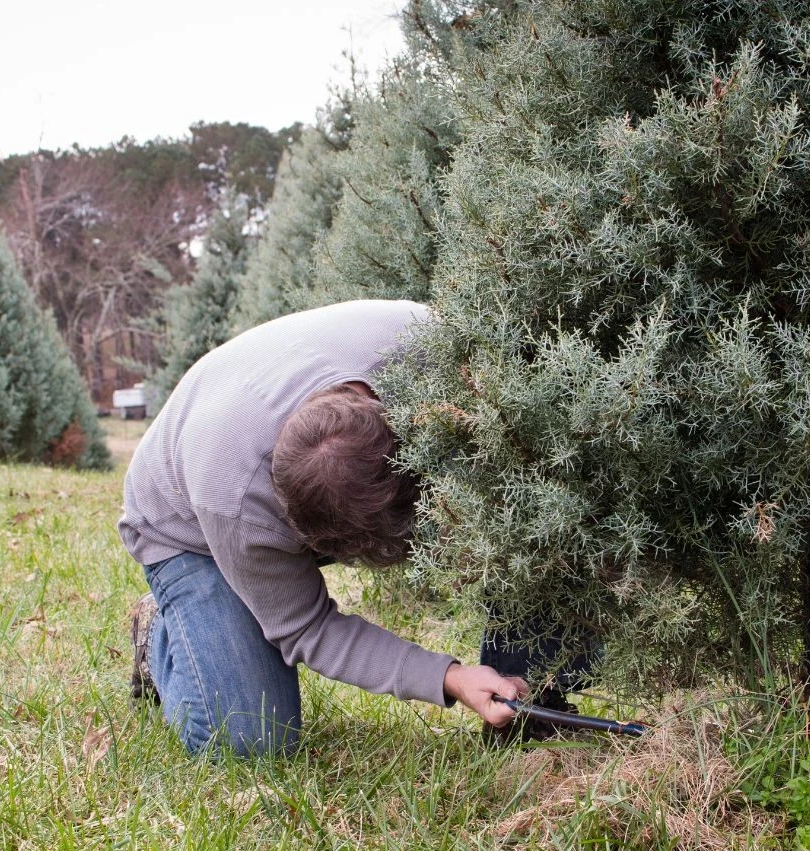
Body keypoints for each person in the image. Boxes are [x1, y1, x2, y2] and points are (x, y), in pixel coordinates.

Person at [117, 299, 534, 756]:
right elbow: (308, 627)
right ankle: (163, 631)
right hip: (181, 527)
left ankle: (533, 709)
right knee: (250, 739)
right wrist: (449, 678)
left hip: (249, 431)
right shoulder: (236, 502)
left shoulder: (425, 347)